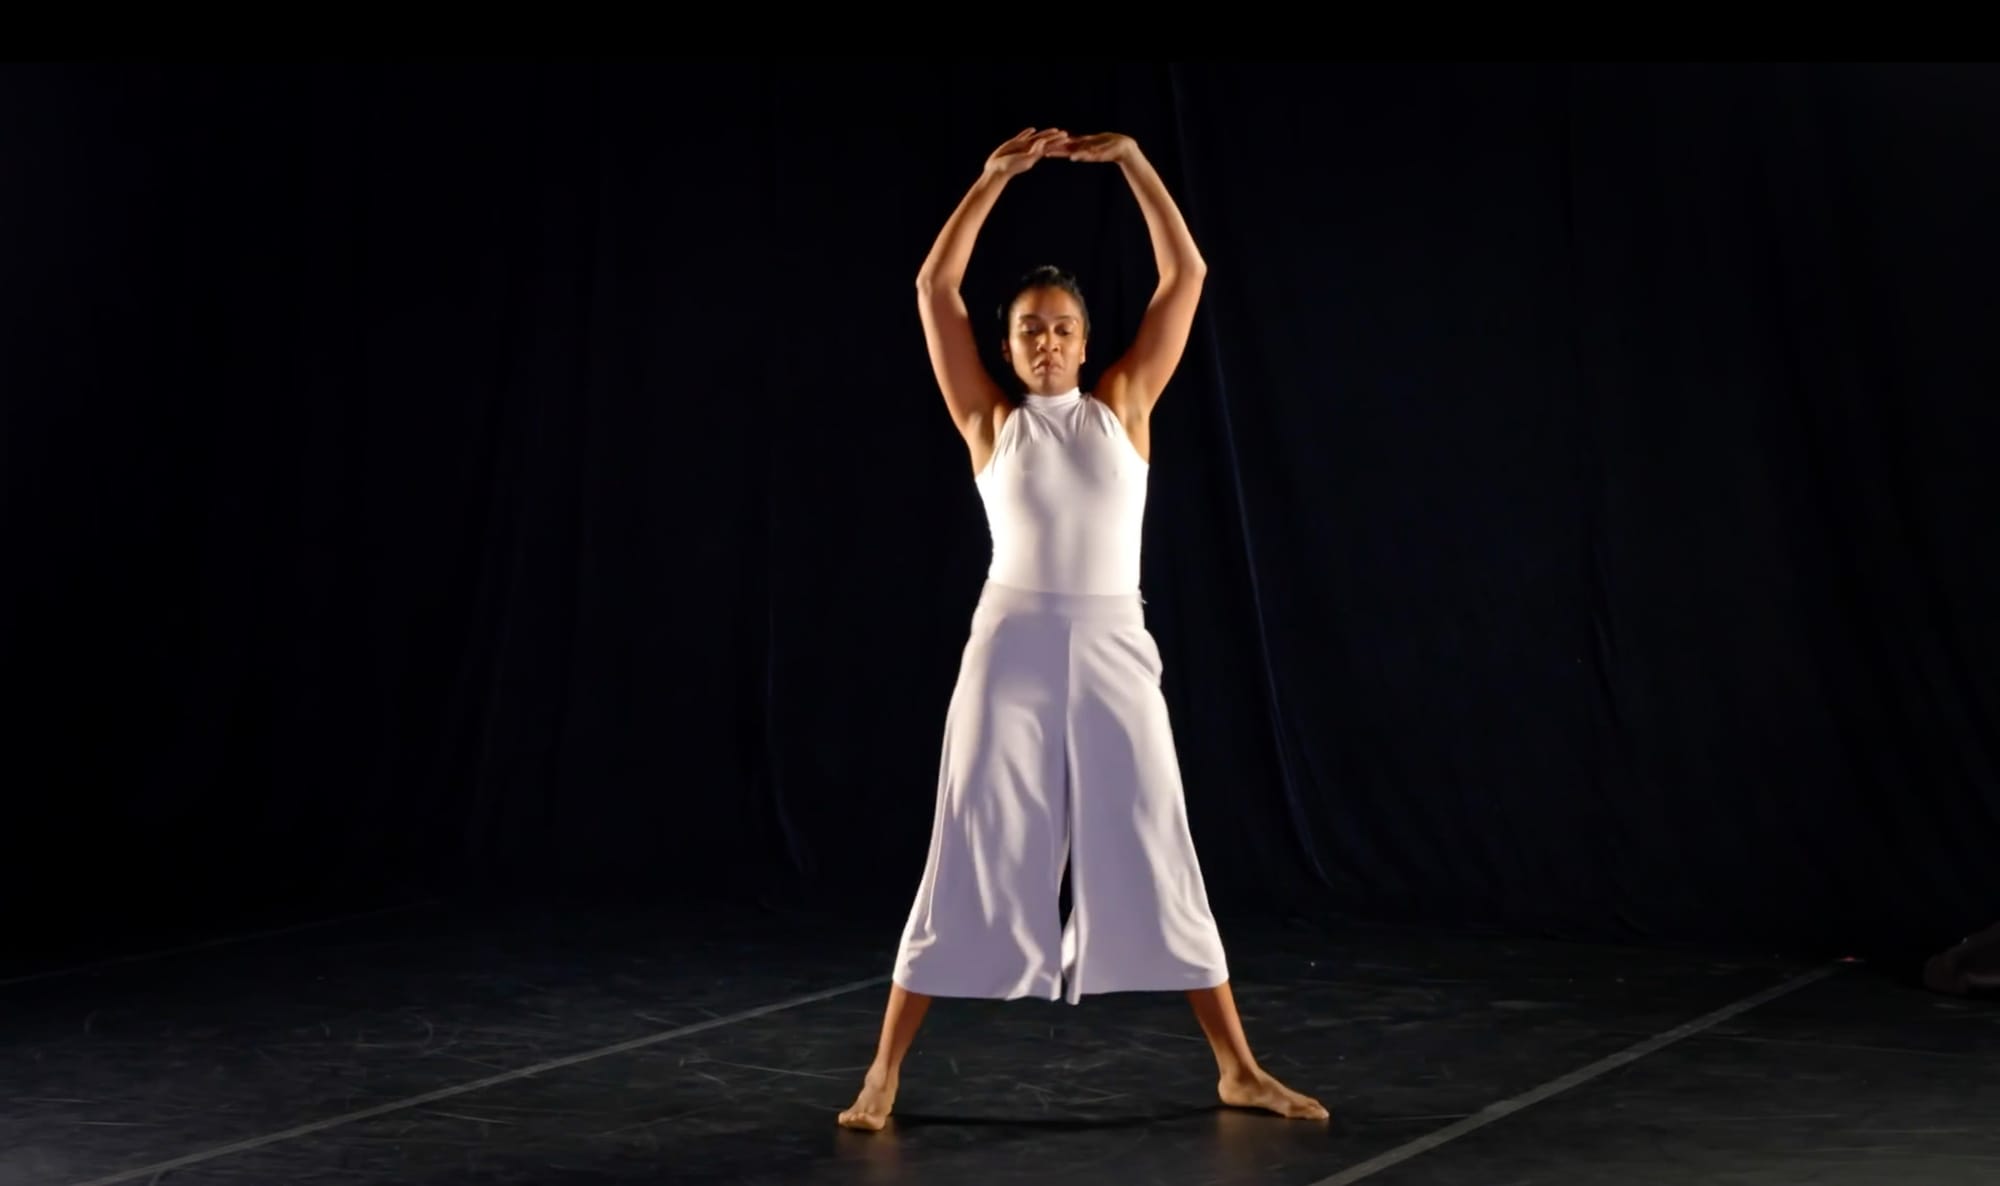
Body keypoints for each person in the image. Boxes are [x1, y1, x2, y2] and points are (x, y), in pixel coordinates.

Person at [837, 127, 1327, 1131]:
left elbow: (1183, 270)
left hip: (1111, 645)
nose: (1045, 340)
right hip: (1007, 647)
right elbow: (936, 290)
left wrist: (1134, 164)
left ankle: (1236, 1065)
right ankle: (883, 1073)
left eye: (1059, 325)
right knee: (966, 840)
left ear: (1085, 337)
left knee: (1154, 834)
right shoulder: (989, 422)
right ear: (1008, 344)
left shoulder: (1125, 405)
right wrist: (988, 181)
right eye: (1026, 328)